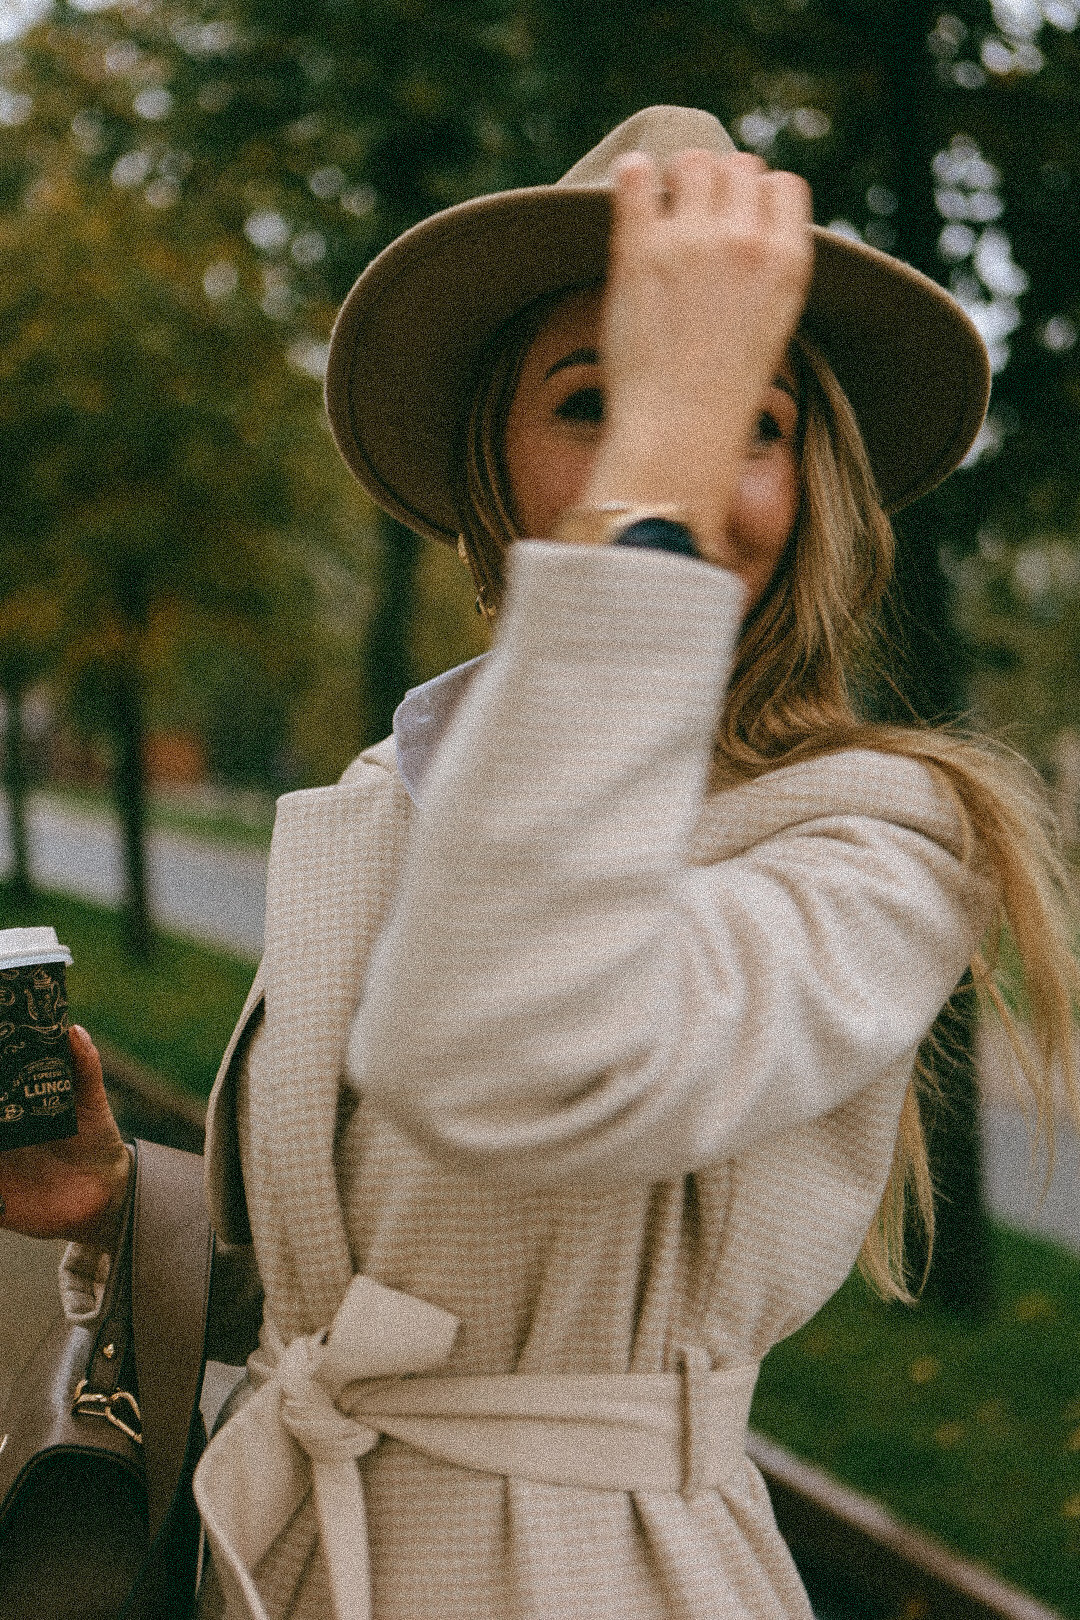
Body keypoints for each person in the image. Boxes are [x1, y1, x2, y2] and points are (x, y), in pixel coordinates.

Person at [2, 105, 1078, 1620]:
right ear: (487, 465)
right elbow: (378, 1299)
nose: (679, 456)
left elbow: (505, 1055)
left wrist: (645, 497)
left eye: (745, 420)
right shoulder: (387, 798)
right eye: (602, 401)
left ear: (812, 486)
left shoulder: (876, 839)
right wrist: (120, 1202)